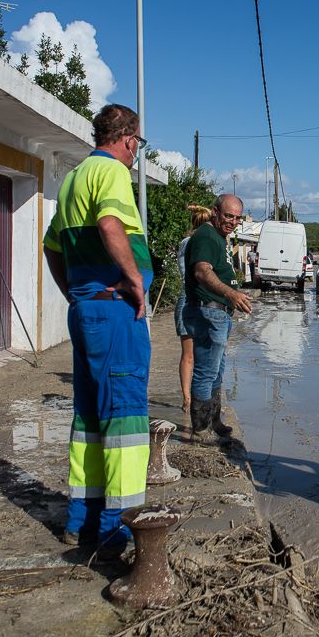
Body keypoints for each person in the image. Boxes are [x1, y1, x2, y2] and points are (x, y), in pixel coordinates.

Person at [43, 104, 153, 555]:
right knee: (125, 418)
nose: (137, 154)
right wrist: (131, 281)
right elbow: (110, 224)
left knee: (90, 417)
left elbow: (51, 246)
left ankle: (81, 519)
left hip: (88, 310)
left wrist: (74, 292)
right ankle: (116, 527)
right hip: (115, 311)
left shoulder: (73, 178)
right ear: (128, 139)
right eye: (139, 145)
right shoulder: (110, 173)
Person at [183, 194, 253, 440]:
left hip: (217, 313)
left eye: (237, 218)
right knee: (205, 371)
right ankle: (201, 430)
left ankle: (214, 420)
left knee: (217, 370)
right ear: (215, 212)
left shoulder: (219, 238)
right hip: (207, 311)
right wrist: (230, 294)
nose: (232, 222)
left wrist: (233, 293)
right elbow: (202, 272)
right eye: (228, 216)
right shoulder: (206, 236)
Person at [176, 205, 213, 413]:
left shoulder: (183, 243)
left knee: (187, 355)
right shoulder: (201, 244)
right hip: (198, 299)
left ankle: (187, 398)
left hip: (183, 298)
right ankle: (202, 400)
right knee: (205, 354)